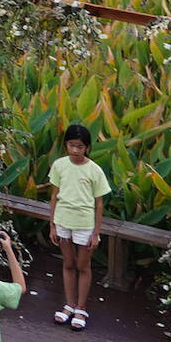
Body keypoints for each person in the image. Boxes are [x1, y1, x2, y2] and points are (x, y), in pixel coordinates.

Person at [46, 123, 113, 330]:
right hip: (62, 221)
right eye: (71, 145)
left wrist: (96, 233)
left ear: (87, 148)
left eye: (80, 147)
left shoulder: (95, 170)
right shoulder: (59, 165)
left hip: (84, 224)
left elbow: (99, 204)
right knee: (67, 263)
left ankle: (81, 307)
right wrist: (52, 226)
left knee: (83, 266)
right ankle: (68, 304)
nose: (75, 150)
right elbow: (54, 196)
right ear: (66, 145)